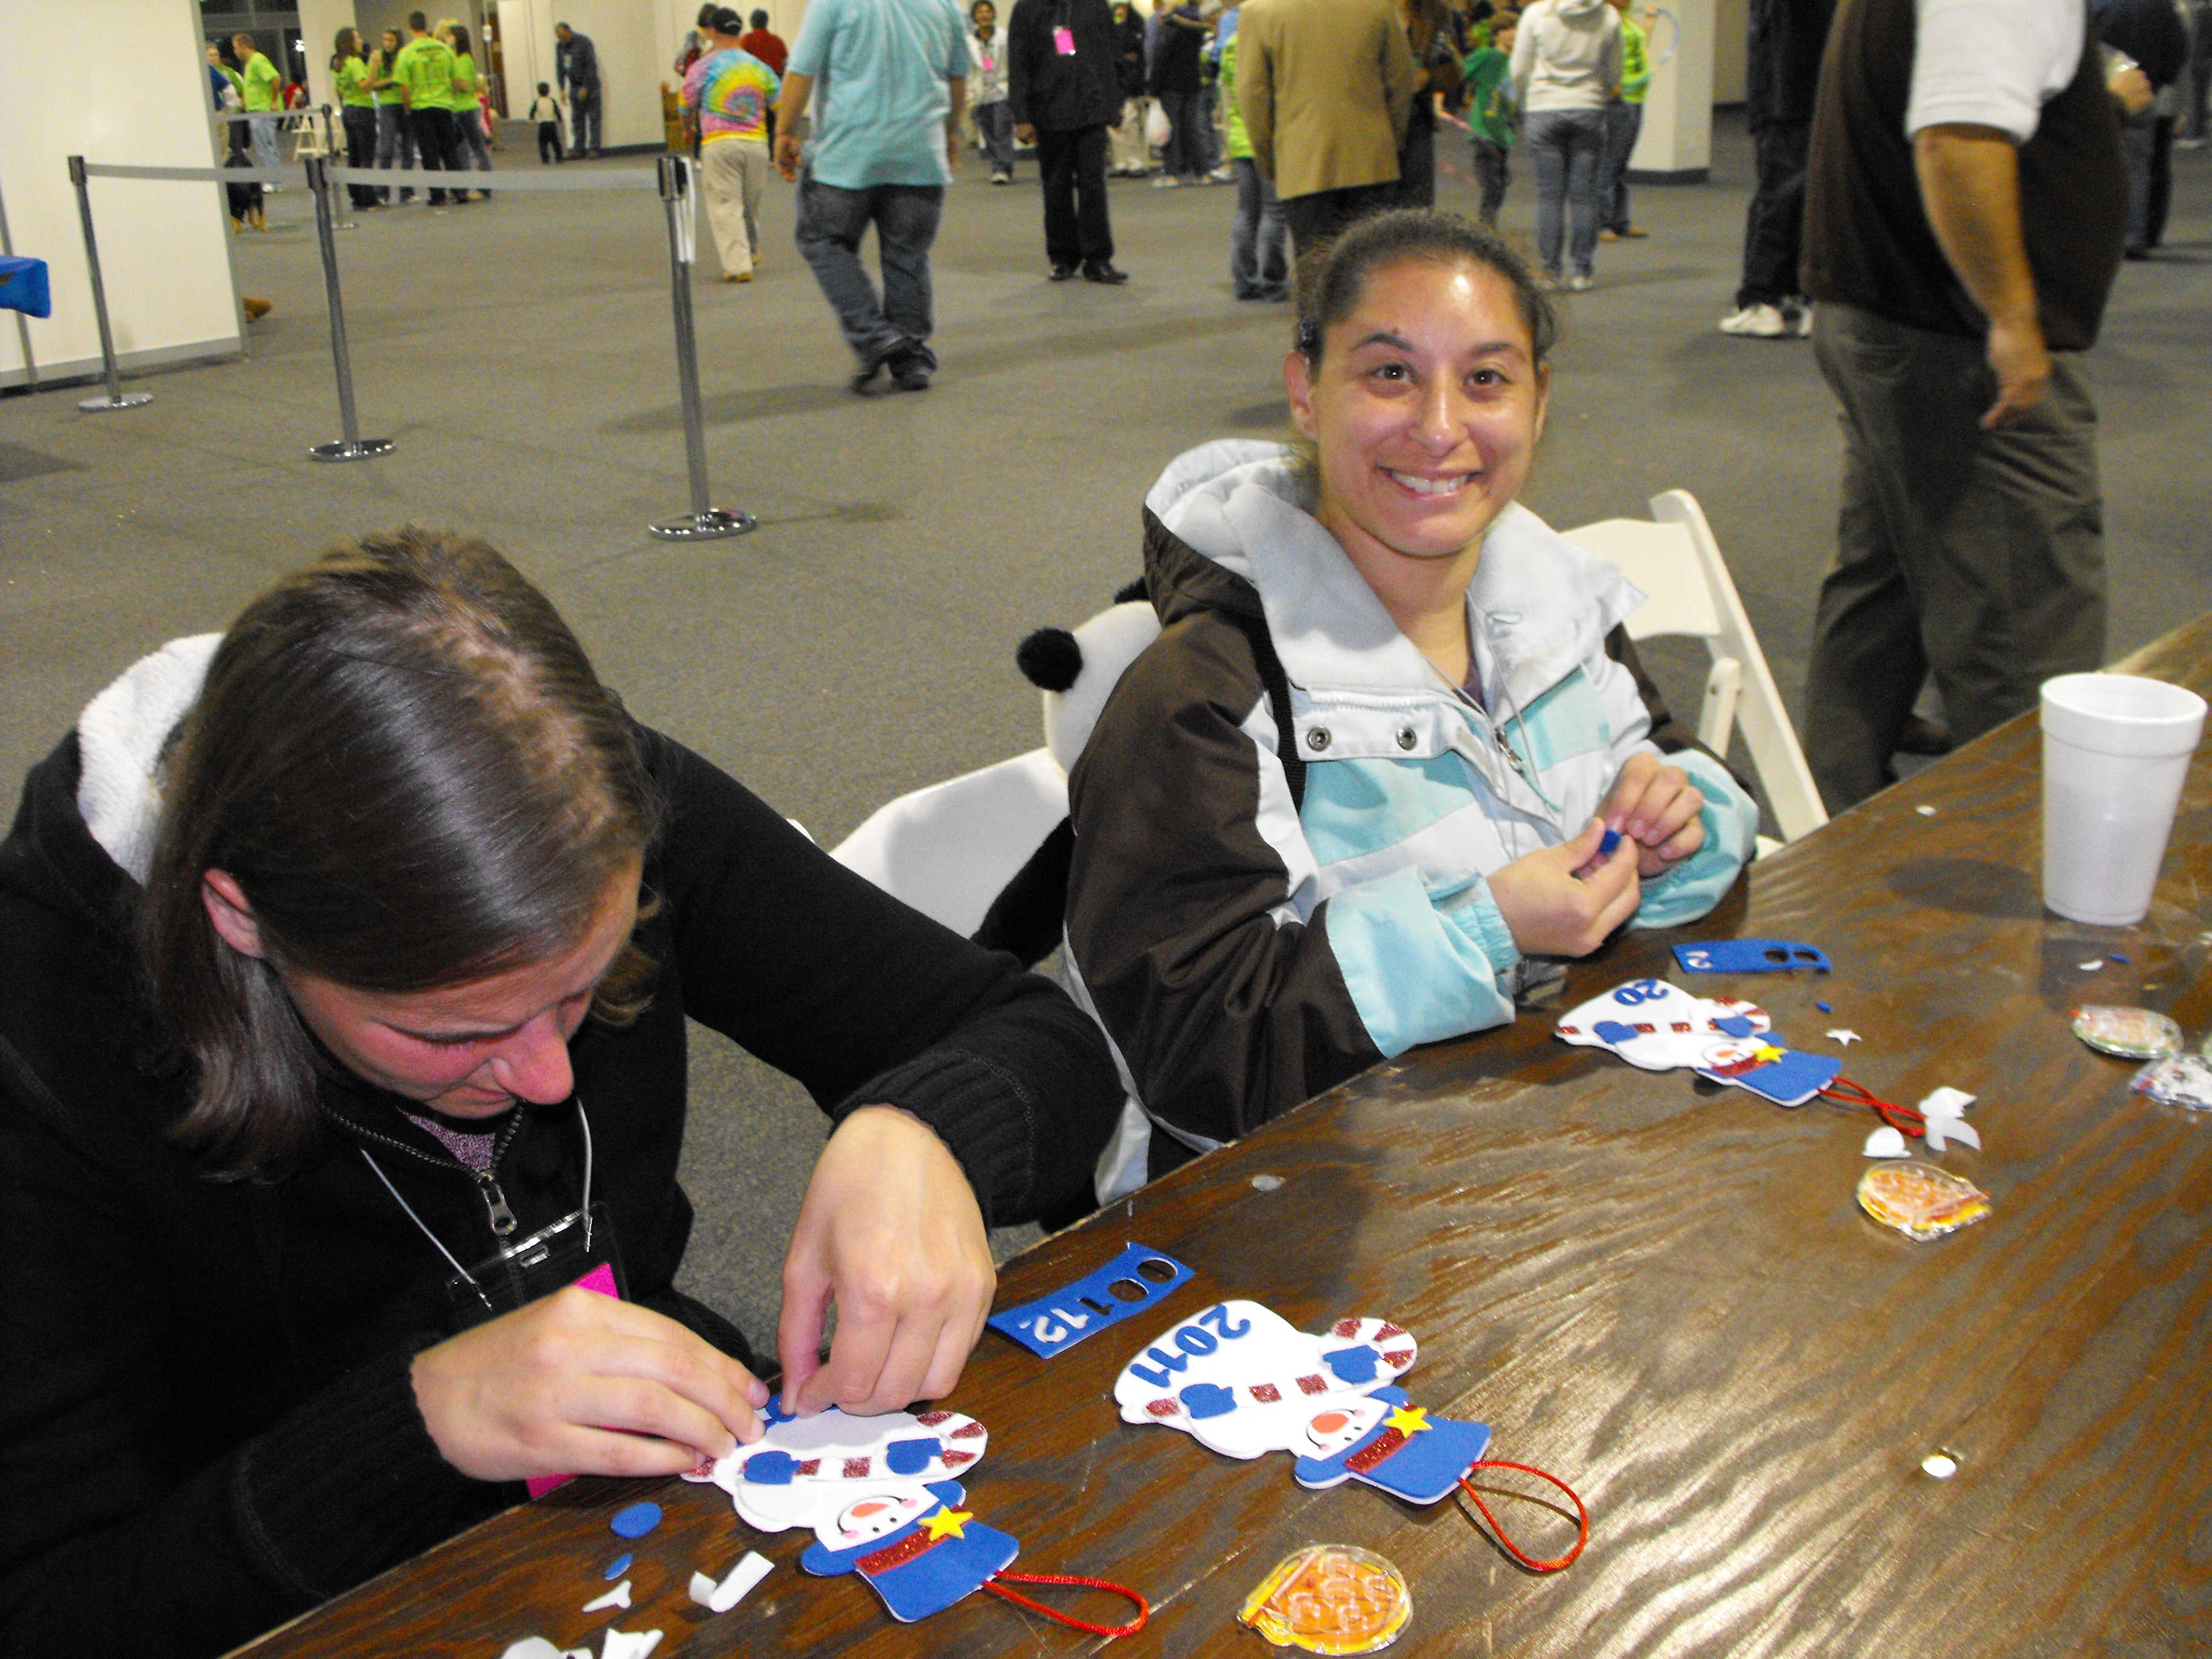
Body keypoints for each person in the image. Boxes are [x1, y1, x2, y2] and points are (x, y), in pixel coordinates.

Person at [0, 531, 1122, 1659]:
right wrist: (417, 1423)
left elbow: (1031, 1033)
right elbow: (57, 1610)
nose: (545, 1075)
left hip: (657, 1520)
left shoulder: (584, 797)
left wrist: (921, 1129)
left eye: (586, 990)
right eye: (454, 1031)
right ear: (242, 918)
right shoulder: (45, 1040)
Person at [1062, 209, 1758, 1195]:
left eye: (1485, 379)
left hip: (1546, 1145)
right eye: (1389, 373)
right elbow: (1193, 1057)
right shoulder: (1201, 697)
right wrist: (1485, 928)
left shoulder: (1551, 600)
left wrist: (1679, 818)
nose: (1439, 428)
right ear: (1305, 390)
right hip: (1298, 1213)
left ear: (1538, 400)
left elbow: (1683, 774)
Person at [1797, 0, 2129, 811]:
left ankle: (1833, 817)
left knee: (1885, 585)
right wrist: (2014, 319)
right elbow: (1957, 140)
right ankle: (2013, 860)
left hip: (1892, 318)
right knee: (2022, 625)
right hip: (1951, 341)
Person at [773, 0, 970, 394]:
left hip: (849, 156)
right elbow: (957, 78)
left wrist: (784, 130)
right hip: (919, 153)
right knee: (907, 255)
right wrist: (951, 133)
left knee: (821, 239)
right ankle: (911, 356)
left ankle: (874, 335)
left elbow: (802, 70)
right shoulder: (944, 6)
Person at [1238, 0, 1416, 253]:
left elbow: (1252, 95)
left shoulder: (1259, 11)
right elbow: (1401, 80)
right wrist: (1392, 140)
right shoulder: (1379, 6)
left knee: (1315, 268)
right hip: (1371, 158)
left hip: (1302, 161)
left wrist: (1268, 160)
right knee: (1368, 268)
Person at [1719, 0, 1834, 337]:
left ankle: (1762, 301)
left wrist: (1761, 108)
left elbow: (1769, 44)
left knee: (1778, 201)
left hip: (1786, 104)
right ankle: (1805, 296)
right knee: (1812, 201)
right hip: (1820, 99)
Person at [1010, 0, 1131, 281]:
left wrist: (1115, 101)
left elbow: (1113, 55)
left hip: (1092, 108)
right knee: (1056, 186)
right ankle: (1063, 257)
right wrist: (1021, 116)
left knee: (1093, 184)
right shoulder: (1027, 9)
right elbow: (1018, 64)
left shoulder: (1095, 6)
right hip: (1049, 110)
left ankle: (1098, 258)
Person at [1512, 0, 1620, 290]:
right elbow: (1615, 71)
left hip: (1543, 108)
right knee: (1585, 195)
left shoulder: (1537, 13)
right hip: (1589, 108)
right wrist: (1598, 91)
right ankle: (1582, 271)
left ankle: (1550, 272)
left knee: (1550, 195)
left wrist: (1528, 101)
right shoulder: (1609, 15)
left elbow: (1519, 69)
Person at [682, 7, 780, 283]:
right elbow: (780, 101)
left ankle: (739, 266)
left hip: (719, 143)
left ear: (713, 31)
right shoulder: (758, 67)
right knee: (750, 204)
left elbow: (686, 101)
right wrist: (786, 135)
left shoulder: (703, 66)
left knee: (726, 204)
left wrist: (687, 128)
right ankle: (750, 250)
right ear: (740, 31)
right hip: (757, 145)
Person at [2095, 0, 2190, 253]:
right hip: (2148, 93)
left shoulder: (2099, 6)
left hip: (2107, 92)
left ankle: (2107, 233)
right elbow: (2178, 50)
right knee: (2144, 167)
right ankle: (2140, 234)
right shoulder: (2162, 6)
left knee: (2104, 165)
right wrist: (2161, 79)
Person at [1219, 25, 1288, 299]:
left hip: (1240, 136)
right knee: (1275, 212)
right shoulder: (1272, 39)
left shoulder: (1231, 45)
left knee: (1247, 212)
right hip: (1269, 137)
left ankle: (1244, 280)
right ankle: (1273, 280)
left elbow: (1226, 90)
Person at [394, 10, 468, 207]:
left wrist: (408, 109)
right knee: (450, 150)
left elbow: (405, 87)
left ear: (410, 28)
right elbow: (456, 80)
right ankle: (460, 191)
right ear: (427, 26)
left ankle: (438, 196)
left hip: (421, 108)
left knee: (430, 153)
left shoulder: (407, 53)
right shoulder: (444, 50)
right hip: (444, 106)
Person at [1397, 0, 1466, 207]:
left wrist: (1433, 68)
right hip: (1374, 120)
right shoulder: (1367, 9)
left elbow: (1451, 76)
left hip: (1417, 119)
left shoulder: (1436, 10)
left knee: (1418, 209)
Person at [1595, 0, 1649, 239]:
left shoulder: (1626, 21)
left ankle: (1620, 221)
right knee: (1608, 162)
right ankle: (1602, 223)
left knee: (1621, 163)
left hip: (1635, 98)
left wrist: (1650, 23)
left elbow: (1636, 52)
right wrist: (1610, 85)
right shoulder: (1602, 21)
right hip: (1616, 100)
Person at [1147, 0, 1214, 184]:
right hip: (1192, 84)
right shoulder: (1195, 27)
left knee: (1171, 131)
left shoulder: (1169, 26)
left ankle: (1172, 174)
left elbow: (1161, 57)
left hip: (1170, 85)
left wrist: (1153, 87)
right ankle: (1203, 172)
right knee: (1191, 129)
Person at [1464, 14, 1520, 224]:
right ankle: (1486, 224)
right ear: (1497, 35)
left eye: (1515, 28)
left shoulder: (1519, 61)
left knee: (1500, 182)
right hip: (1484, 129)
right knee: (1492, 181)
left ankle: (1488, 221)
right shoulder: (1487, 56)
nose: (1513, 33)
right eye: (1507, 29)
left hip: (1504, 130)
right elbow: (1459, 72)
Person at [441, 22, 497, 196]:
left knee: (478, 148)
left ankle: (485, 187)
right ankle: (463, 187)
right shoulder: (454, 57)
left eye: (449, 36)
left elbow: (466, 85)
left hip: (466, 109)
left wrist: (451, 80)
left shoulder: (464, 60)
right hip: (458, 109)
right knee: (460, 150)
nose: (446, 39)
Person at [369, 28, 418, 204]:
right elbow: (372, 84)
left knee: (408, 150)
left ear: (398, 41)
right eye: (385, 39)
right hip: (387, 106)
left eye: (391, 40)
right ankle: (382, 193)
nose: (387, 43)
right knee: (386, 150)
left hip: (405, 104)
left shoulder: (405, 56)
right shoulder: (378, 57)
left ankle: (407, 191)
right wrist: (391, 80)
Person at [969, 1, 1017, 181]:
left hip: (1001, 91)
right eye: (980, 12)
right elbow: (970, 71)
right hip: (981, 94)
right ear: (975, 17)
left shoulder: (1003, 37)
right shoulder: (970, 42)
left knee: (1002, 131)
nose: (984, 15)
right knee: (988, 135)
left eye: (988, 11)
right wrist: (971, 98)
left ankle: (1002, 169)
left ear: (993, 15)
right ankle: (1002, 166)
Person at [333, 29, 381, 210]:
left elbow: (338, 91)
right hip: (363, 111)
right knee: (366, 157)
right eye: (357, 38)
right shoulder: (354, 63)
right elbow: (366, 87)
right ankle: (369, 199)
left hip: (348, 110)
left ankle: (357, 196)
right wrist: (374, 65)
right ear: (350, 43)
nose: (361, 40)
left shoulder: (339, 64)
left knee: (353, 156)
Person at [1108, 1, 1153, 173]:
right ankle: (1125, 162)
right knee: (1120, 123)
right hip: (1119, 79)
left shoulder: (1132, 21)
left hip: (1125, 81)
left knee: (1128, 122)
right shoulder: (1125, 20)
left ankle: (1132, 161)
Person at [232, 33, 285, 170]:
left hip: (263, 110)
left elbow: (275, 78)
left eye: (236, 48)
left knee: (266, 146)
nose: (235, 52)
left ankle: (273, 179)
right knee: (262, 147)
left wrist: (273, 101)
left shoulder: (258, 61)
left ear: (244, 47)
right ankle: (270, 178)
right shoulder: (250, 63)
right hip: (256, 110)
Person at [556, 22, 604, 156]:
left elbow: (591, 65)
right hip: (574, 86)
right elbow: (560, 67)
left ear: (570, 32)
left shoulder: (584, 42)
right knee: (577, 119)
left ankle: (594, 149)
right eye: (560, 38)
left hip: (590, 86)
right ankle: (578, 149)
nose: (562, 40)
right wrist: (562, 88)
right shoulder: (560, 46)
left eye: (564, 37)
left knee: (594, 118)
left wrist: (586, 87)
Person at [526, 81, 566, 163]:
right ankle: (559, 158)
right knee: (555, 142)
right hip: (552, 124)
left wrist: (531, 118)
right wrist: (560, 120)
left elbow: (532, 111)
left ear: (538, 92)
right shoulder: (552, 101)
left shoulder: (537, 101)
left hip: (542, 124)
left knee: (543, 143)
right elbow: (557, 111)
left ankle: (545, 159)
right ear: (549, 91)